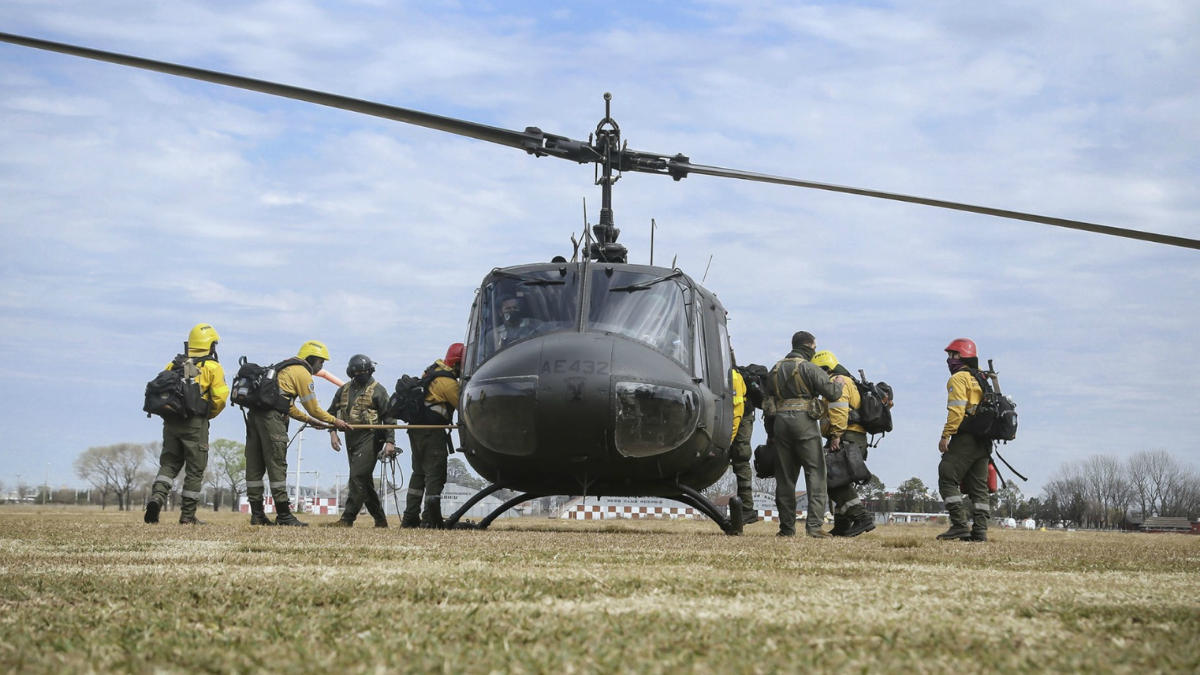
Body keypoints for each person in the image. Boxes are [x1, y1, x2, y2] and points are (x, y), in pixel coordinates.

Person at [245, 340, 352, 527]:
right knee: (277, 465)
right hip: (272, 421)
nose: (321, 367)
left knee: (255, 465)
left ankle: (257, 515)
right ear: (311, 359)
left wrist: (309, 421)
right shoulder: (302, 373)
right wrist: (335, 421)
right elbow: (313, 408)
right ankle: (284, 515)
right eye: (320, 362)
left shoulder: (284, 368)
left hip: (254, 417)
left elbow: (285, 404)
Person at [145, 323, 230, 525]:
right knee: (195, 468)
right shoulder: (212, 367)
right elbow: (220, 399)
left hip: (171, 422)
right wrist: (207, 415)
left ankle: (157, 497)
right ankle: (187, 515)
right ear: (210, 344)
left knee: (169, 464)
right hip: (195, 423)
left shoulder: (173, 364)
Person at [766, 331, 845, 538]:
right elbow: (833, 393)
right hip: (804, 422)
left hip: (780, 423)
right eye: (814, 347)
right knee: (815, 472)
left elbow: (768, 404)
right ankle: (814, 527)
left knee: (785, 477)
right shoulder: (809, 368)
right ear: (808, 346)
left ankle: (786, 528)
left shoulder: (774, 369)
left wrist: (770, 433)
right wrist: (839, 383)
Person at [324, 354, 396, 528]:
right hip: (350, 439)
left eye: (365, 371)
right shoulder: (343, 390)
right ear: (351, 372)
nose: (362, 374)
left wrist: (390, 442)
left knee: (357, 477)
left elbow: (389, 417)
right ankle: (380, 520)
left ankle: (347, 518)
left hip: (370, 438)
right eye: (358, 372)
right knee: (364, 481)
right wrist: (332, 433)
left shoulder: (378, 390)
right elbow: (330, 414)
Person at [811, 350, 876, 538]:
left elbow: (839, 410)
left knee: (833, 479)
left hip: (846, 435)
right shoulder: (849, 380)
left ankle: (862, 517)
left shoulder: (836, 381)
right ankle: (842, 524)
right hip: (854, 436)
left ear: (824, 369)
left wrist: (836, 435)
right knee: (841, 480)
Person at [402, 343, 463, 529]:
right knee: (435, 474)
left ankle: (410, 518)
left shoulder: (431, 371)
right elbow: (463, 405)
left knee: (419, 473)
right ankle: (429, 519)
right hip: (432, 432)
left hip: (416, 431)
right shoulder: (448, 383)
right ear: (458, 364)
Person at [937, 338, 991, 542]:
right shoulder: (982, 377)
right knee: (979, 487)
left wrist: (946, 435)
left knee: (947, 475)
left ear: (962, 356)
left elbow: (957, 411)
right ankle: (980, 531)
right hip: (984, 440)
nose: (949, 359)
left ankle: (959, 525)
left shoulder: (959, 378)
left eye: (953, 355)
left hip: (966, 437)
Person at [729, 364, 757, 526]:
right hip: (733, 417)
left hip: (742, 419)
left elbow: (737, 411)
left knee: (741, 458)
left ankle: (747, 510)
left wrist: (730, 439)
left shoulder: (733, 377)